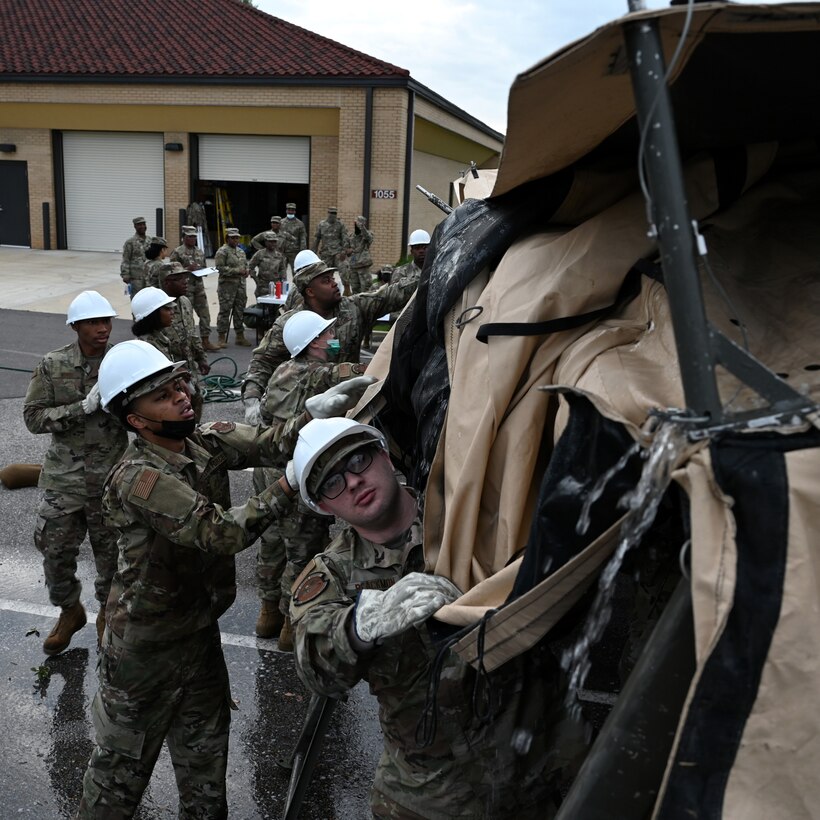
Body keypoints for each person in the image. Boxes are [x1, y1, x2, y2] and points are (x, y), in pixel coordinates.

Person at [290, 418, 587, 820]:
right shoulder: (334, 573)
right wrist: (359, 626)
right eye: (332, 483)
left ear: (383, 455)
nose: (354, 482)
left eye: (358, 460)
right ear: (324, 506)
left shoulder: (467, 512)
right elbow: (316, 666)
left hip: (535, 759)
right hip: (431, 790)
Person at [75, 339, 300, 819]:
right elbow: (219, 532)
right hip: (143, 655)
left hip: (197, 636)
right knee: (116, 783)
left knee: (205, 771)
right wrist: (288, 485)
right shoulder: (138, 476)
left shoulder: (203, 440)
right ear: (136, 420)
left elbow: (270, 442)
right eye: (163, 395)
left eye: (179, 384)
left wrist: (318, 423)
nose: (182, 396)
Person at [250, 311, 369, 648]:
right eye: (329, 333)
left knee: (271, 545)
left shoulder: (280, 370)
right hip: (299, 472)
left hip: (267, 471)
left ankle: (267, 613)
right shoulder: (321, 374)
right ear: (315, 341)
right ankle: (291, 625)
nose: (334, 336)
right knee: (303, 551)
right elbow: (363, 374)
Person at [23, 291, 127, 654]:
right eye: (93, 322)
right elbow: (33, 417)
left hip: (111, 478)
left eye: (106, 321)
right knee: (54, 552)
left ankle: (106, 616)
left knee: (113, 558)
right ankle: (70, 611)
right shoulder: (53, 365)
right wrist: (79, 408)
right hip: (64, 479)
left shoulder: (121, 361)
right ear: (76, 326)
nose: (102, 329)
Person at [241, 250, 417, 410]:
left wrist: (432, 270)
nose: (334, 284)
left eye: (333, 278)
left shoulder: (355, 308)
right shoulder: (291, 323)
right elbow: (262, 361)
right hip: (304, 409)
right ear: (310, 291)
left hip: (348, 403)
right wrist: (252, 400)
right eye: (326, 281)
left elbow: (392, 294)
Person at [170, 225, 218, 352]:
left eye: (194, 237)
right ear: (184, 237)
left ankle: (205, 340)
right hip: (185, 289)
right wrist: (187, 269)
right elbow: (172, 272)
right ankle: (189, 342)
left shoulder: (199, 251)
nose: (192, 239)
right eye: (190, 237)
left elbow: (203, 267)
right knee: (187, 316)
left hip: (199, 288)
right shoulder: (177, 252)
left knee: (205, 315)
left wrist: (203, 270)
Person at [214, 227, 251, 348]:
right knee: (225, 311)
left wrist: (246, 271)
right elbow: (220, 268)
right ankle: (221, 336)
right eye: (233, 238)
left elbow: (245, 265)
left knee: (239, 311)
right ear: (227, 238)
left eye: (237, 238)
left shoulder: (241, 252)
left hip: (240, 286)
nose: (236, 240)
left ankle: (240, 336)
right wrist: (237, 271)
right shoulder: (222, 251)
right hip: (227, 288)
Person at [248, 231, 287, 298]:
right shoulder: (260, 254)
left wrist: (282, 283)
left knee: (275, 306)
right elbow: (250, 267)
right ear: (266, 242)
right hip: (262, 287)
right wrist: (256, 280)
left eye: (274, 241)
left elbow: (282, 270)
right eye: (270, 241)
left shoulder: (279, 256)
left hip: (275, 287)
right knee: (261, 307)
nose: (273, 244)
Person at [120, 216, 150, 295]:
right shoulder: (130, 242)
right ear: (135, 226)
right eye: (139, 225)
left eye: (144, 224)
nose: (142, 226)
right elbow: (126, 259)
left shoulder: (150, 240)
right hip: (136, 279)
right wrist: (125, 275)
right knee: (137, 299)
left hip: (148, 278)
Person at [345, 215, 375, 295]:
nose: (357, 225)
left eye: (360, 223)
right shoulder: (350, 236)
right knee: (355, 289)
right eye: (356, 223)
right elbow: (345, 250)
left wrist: (362, 228)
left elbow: (368, 238)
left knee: (366, 289)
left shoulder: (367, 235)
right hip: (353, 267)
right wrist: (349, 251)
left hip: (363, 266)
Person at [280, 202, 307, 271]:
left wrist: (302, 252)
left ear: (295, 211)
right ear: (286, 211)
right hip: (283, 251)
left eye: (292, 210)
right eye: (289, 210)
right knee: (280, 272)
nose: (290, 212)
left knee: (296, 271)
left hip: (294, 252)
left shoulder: (300, 223)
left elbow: (303, 238)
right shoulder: (281, 223)